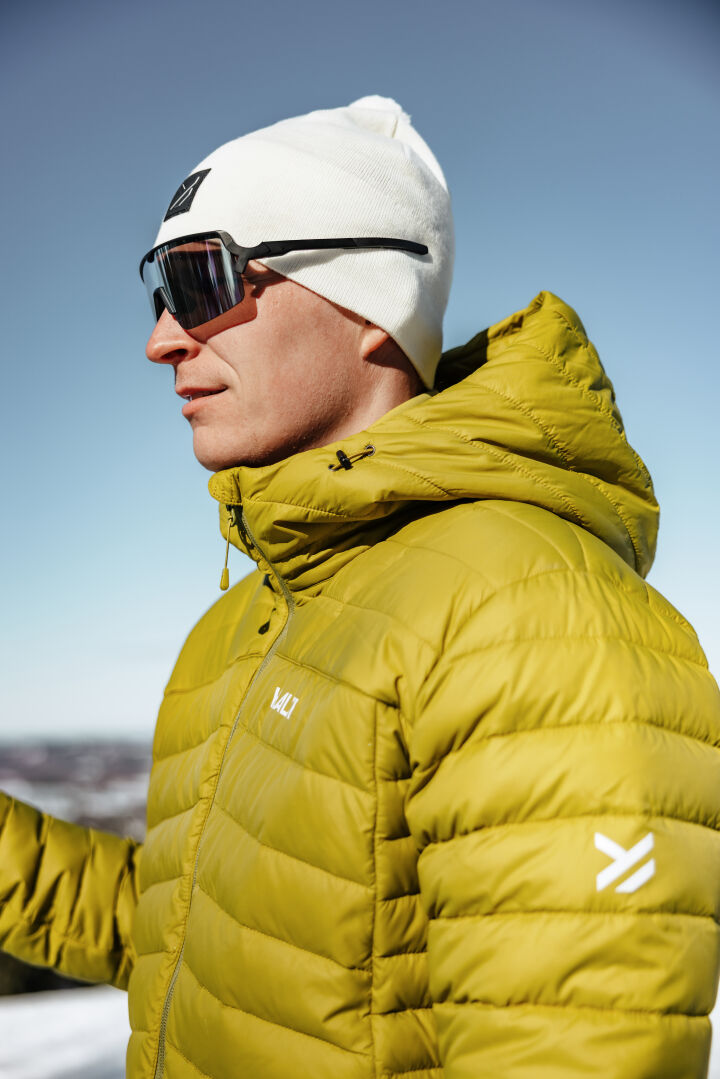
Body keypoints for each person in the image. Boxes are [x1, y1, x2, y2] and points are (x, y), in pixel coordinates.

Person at [1, 95, 719, 1079]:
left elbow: (572, 1051)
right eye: (156, 291)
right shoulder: (244, 621)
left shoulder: (526, 613)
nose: (163, 339)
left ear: (371, 301)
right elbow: (208, 940)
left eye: (201, 279)